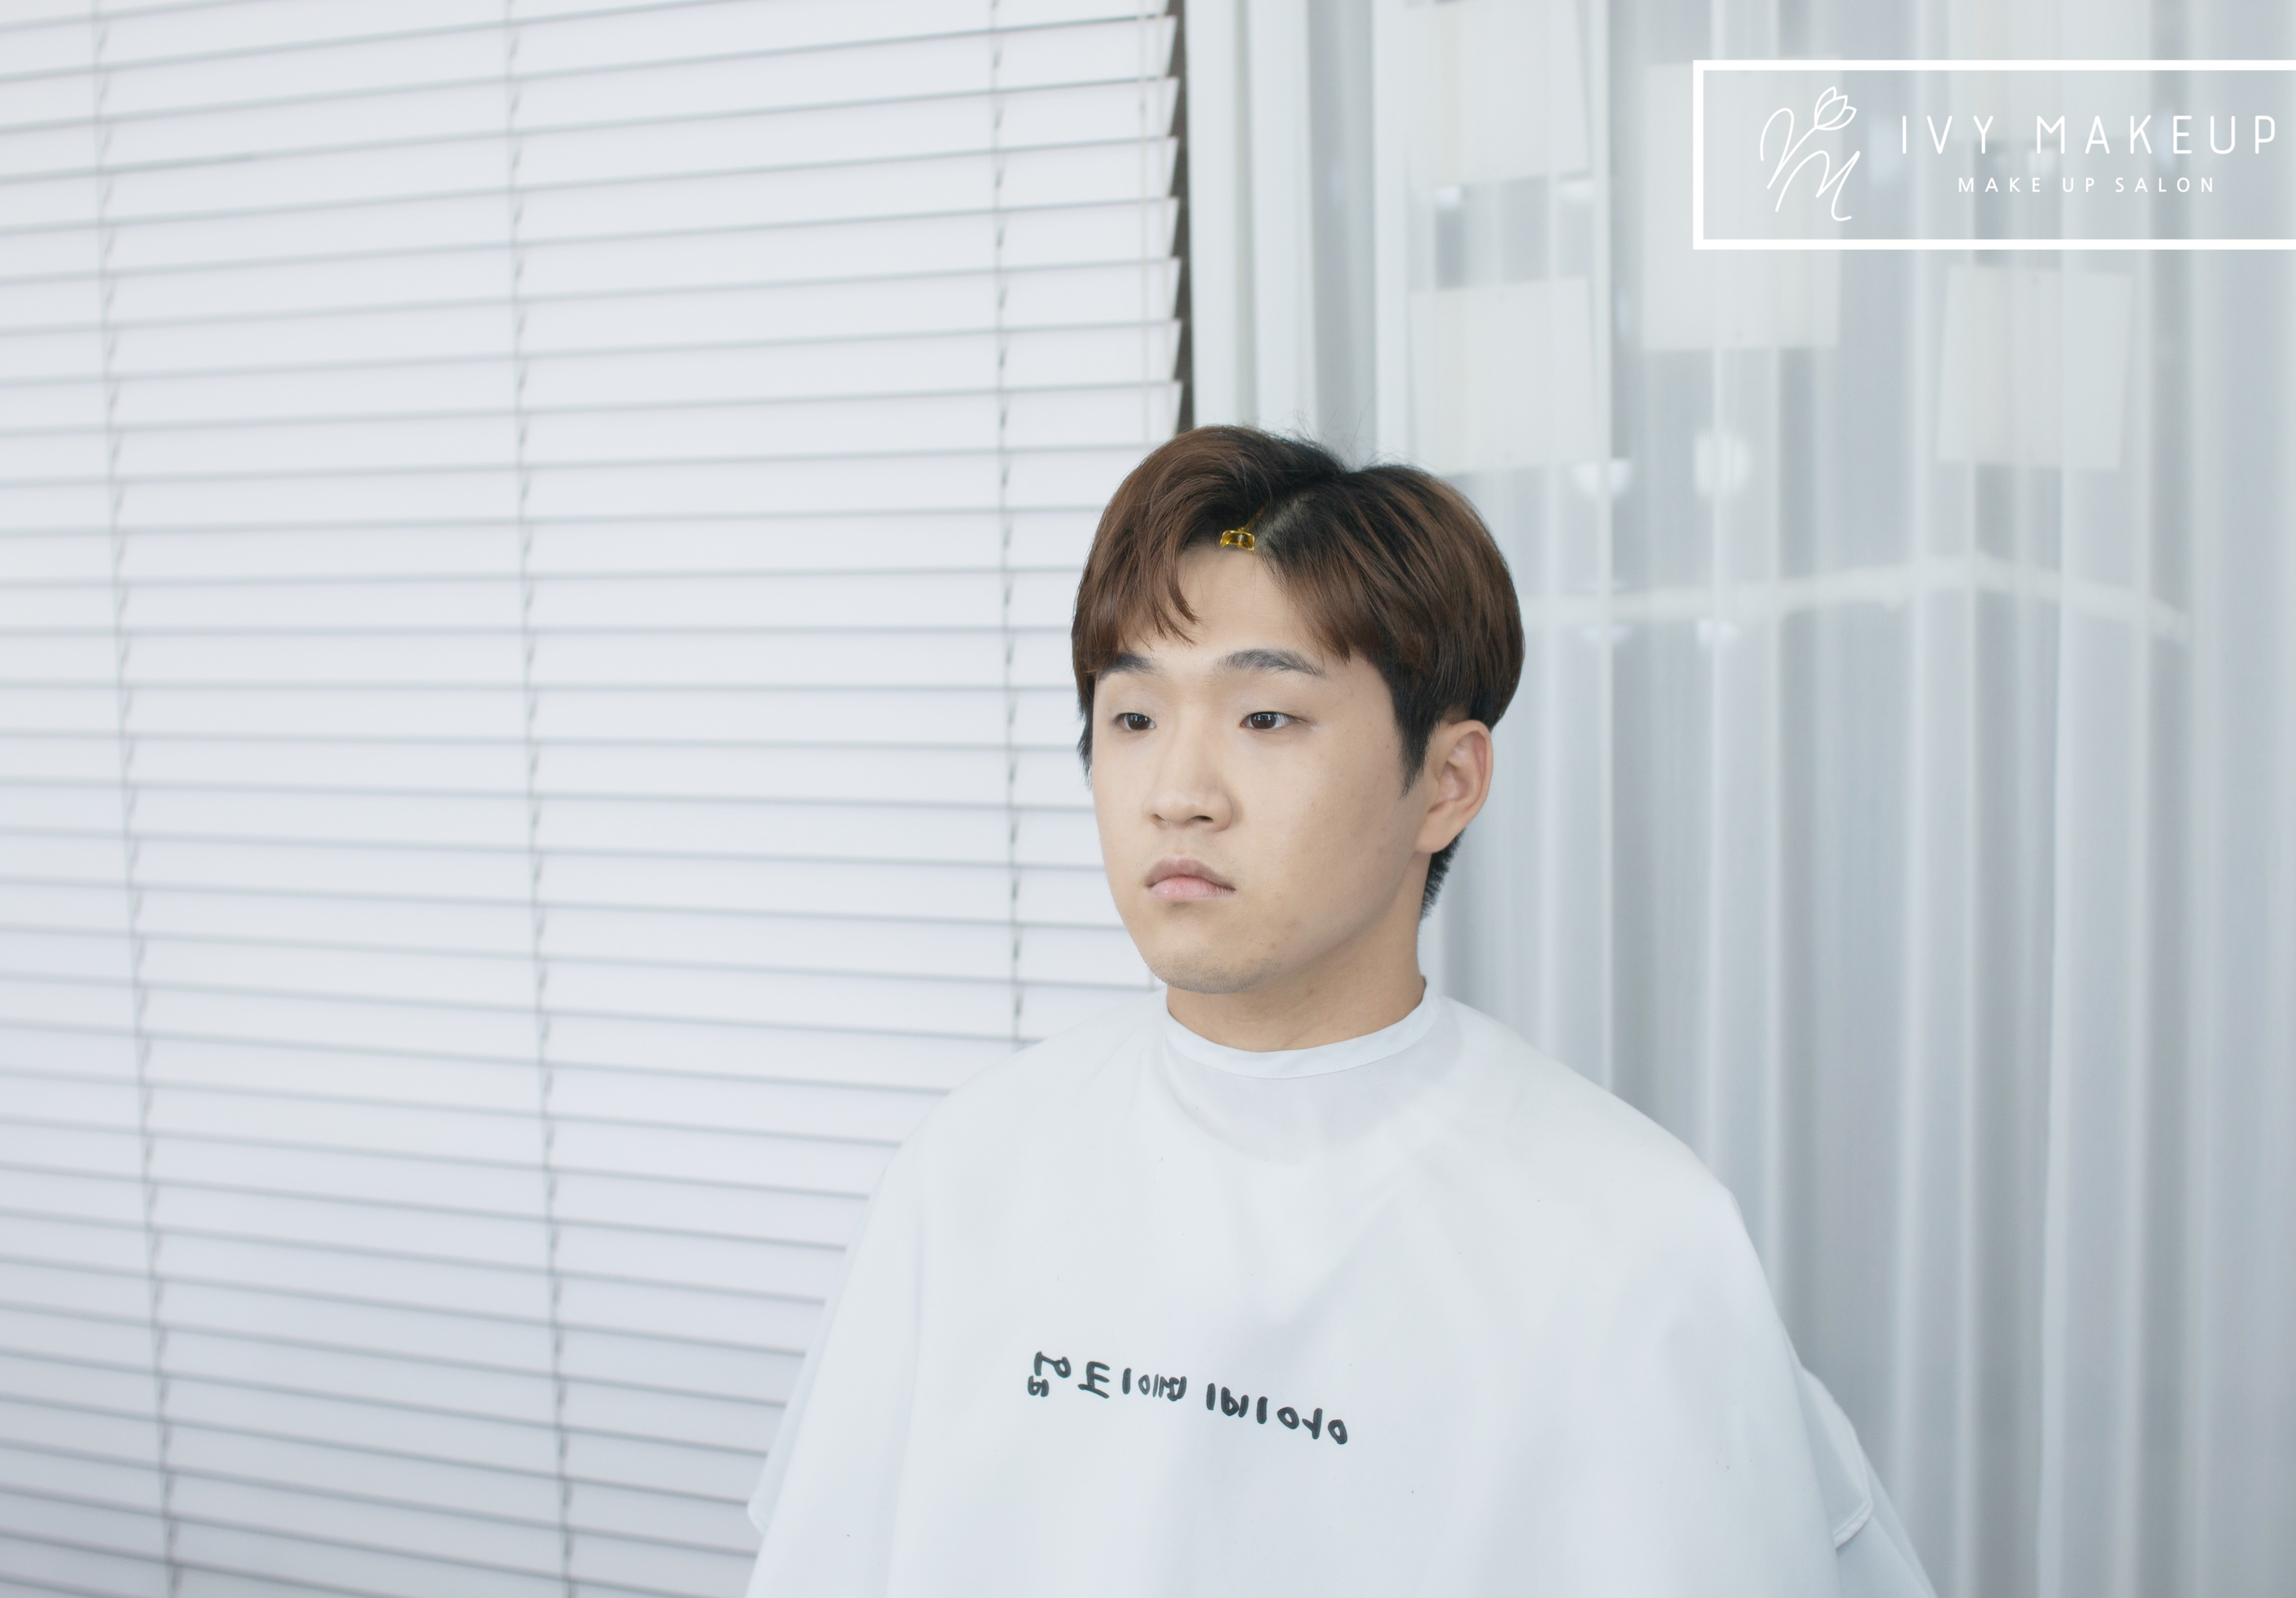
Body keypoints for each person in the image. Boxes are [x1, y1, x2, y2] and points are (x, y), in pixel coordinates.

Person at [743, 427, 1933, 1596]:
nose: (1177, 795)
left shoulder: (1630, 1240)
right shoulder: (969, 1172)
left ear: (1447, 783)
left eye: (1266, 717)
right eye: (1134, 718)